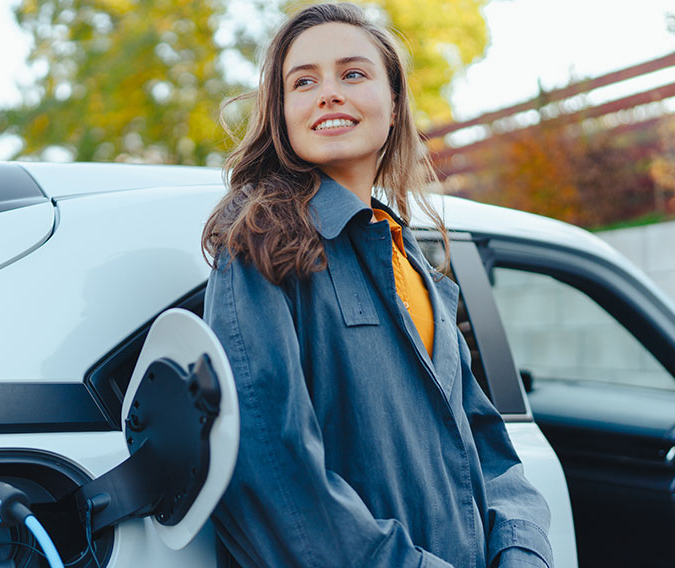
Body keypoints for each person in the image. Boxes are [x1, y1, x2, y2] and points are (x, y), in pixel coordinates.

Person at [200, 3, 553, 567]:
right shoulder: (259, 241)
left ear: (393, 106)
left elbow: (486, 447)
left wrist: (521, 547)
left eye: (353, 73)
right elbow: (269, 469)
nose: (329, 93)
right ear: (282, 113)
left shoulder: (415, 266)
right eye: (303, 81)